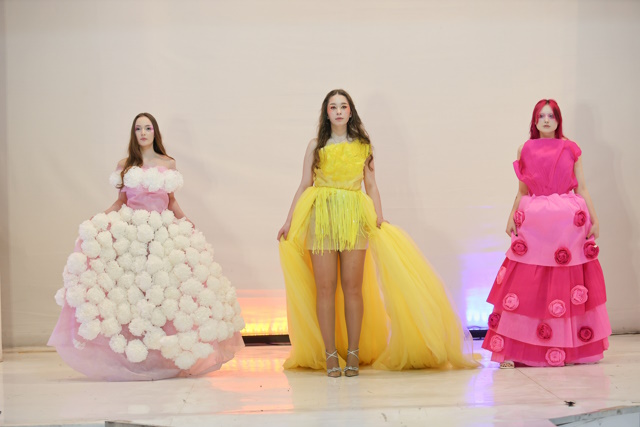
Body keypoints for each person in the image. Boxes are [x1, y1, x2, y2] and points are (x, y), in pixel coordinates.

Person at [278, 89, 477, 377]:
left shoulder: (363, 145)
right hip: (321, 218)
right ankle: (330, 353)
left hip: (354, 218)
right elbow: (304, 184)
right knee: (325, 288)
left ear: (350, 111)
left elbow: (371, 184)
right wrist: (289, 221)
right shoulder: (315, 146)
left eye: (343, 106)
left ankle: (354, 353)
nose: (338, 111)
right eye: (333, 107)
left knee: (353, 287)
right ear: (326, 113)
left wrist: (379, 217)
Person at [48, 112, 245, 381]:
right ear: (134, 133)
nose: (143, 133)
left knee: (164, 293)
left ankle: (165, 354)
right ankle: (133, 355)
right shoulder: (125, 165)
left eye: (148, 128)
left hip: (161, 233)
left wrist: (187, 222)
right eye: (138, 128)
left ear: (155, 132)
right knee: (132, 295)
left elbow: (171, 201)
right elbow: (120, 202)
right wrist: (99, 218)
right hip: (132, 234)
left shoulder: (168, 163)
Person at [482, 99, 611, 368]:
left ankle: (568, 348)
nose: (546, 120)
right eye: (541, 116)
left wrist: (595, 219)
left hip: (568, 223)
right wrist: (511, 217)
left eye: (551, 116)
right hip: (535, 221)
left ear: (558, 120)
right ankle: (520, 348)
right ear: (534, 120)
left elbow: (582, 188)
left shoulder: (571, 148)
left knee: (565, 278)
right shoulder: (525, 148)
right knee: (529, 278)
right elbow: (522, 190)